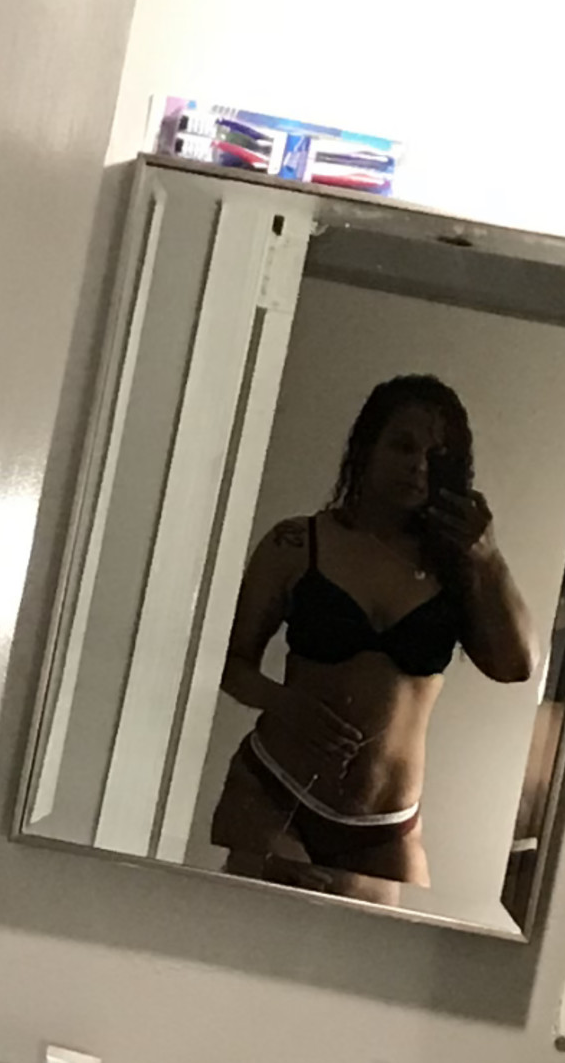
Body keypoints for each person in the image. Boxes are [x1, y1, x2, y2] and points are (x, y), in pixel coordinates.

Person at [212, 374, 538, 887]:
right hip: (274, 793)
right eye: (403, 446)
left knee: (391, 940)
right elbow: (225, 663)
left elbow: (518, 666)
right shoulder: (297, 543)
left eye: (437, 456)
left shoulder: (457, 569)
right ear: (367, 447)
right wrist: (285, 704)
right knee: (247, 935)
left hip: (387, 827)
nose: (418, 466)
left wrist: (489, 559)